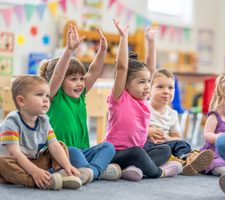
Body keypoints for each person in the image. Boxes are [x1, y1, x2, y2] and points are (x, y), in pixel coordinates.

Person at [39, 24, 121, 182]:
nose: (80, 83)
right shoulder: (53, 96)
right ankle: (93, 170)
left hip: (82, 151)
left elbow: (94, 71)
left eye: (81, 78)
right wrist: (69, 50)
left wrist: (103, 50)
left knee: (108, 147)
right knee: (73, 152)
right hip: (58, 154)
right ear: (60, 81)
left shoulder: (81, 95)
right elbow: (57, 75)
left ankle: (91, 172)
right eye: (73, 79)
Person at [104, 19, 182, 182]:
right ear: (125, 84)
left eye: (148, 82)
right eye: (141, 82)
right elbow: (121, 68)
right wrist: (123, 38)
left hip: (137, 151)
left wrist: (151, 41)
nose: (147, 86)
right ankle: (157, 172)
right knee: (137, 153)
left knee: (165, 150)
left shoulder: (143, 99)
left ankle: (135, 169)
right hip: (116, 153)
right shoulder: (120, 97)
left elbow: (151, 69)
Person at [0, 75, 83, 190]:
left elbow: (53, 145)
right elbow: (15, 153)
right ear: (21, 101)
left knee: (60, 145)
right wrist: (34, 172)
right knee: (1, 162)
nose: (46, 100)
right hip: (15, 163)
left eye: (47, 96)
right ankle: (38, 181)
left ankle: (62, 175)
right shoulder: (12, 121)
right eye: (39, 95)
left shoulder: (44, 120)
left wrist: (67, 166)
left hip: (34, 161)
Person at [145, 68, 214, 176]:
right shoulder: (144, 108)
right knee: (147, 145)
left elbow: (177, 138)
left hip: (164, 145)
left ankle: (188, 159)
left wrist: (168, 138)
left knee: (183, 144)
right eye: (160, 87)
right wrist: (148, 132)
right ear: (149, 90)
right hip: (148, 145)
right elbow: (134, 130)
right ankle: (177, 162)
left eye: (171, 88)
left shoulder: (172, 114)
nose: (166, 91)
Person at [199, 74, 225, 190]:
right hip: (214, 153)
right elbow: (207, 134)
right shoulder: (215, 116)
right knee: (216, 164)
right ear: (220, 99)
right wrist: (216, 137)